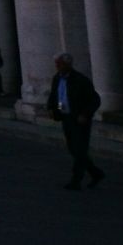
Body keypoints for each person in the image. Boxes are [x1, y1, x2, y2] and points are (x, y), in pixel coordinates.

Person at [48, 52, 106, 190]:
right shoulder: (57, 78)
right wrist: (52, 108)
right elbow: (56, 96)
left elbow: (95, 100)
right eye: (56, 63)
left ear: (67, 64)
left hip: (79, 119)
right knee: (73, 149)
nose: (57, 66)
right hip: (66, 117)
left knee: (79, 150)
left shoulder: (80, 80)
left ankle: (76, 180)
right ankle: (96, 173)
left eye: (59, 64)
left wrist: (85, 114)